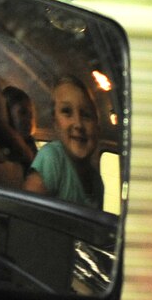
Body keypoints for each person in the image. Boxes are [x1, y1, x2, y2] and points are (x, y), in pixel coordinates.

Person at [24, 75, 104, 210]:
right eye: (67, 112)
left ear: (97, 128)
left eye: (86, 115)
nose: (78, 124)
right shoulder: (52, 158)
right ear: (55, 124)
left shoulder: (97, 182)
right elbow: (26, 215)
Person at [2, 85, 38, 159]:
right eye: (22, 112)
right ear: (7, 113)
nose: (29, 120)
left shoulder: (31, 145)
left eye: (30, 115)